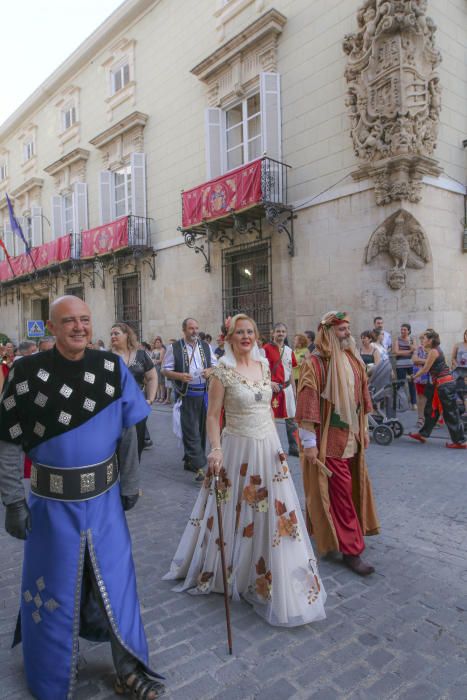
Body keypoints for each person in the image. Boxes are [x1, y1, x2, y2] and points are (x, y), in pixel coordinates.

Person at [0, 295, 164, 700]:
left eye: (85, 320)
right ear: (51, 328)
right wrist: (13, 501)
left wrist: (129, 483)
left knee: (118, 584)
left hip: (105, 503)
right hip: (51, 507)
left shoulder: (111, 368)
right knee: (51, 587)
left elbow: (128, 432)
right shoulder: (24, 373)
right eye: (69, 321)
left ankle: (128, 670)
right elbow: (6, 441)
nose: (79, 327)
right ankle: (52, 672)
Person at [163, 314, 326, 626]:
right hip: (236, 447)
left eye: (251, 331)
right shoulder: (221, 371)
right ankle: (230, 569)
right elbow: (212, 416)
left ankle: (269, 575)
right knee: (234, 510)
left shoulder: (264, 365)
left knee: (274, 514)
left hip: (268, 447)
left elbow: (266, 406)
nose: (246, 336)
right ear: (230, 336)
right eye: (240, 332)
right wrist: (215, 448)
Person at [296, 311, 380, 576]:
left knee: (350, 489)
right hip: (328, 441)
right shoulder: (315, 363)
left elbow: (362, 397)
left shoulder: (353, 359)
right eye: (342, 329)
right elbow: (308, 402)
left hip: (352, 438)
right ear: (329, 332)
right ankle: (352, 550)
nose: (348, 334)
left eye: (348, 328)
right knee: (340, 494)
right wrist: (309, 443)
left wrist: (364, 428)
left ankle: (333, 536)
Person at [162, 318, 216, 481]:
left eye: (196, 328)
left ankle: (189, 461)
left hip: (203, 394)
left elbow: (216, 365)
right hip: (186, 394)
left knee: (200, 429)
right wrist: (179, 375)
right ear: (184, 330)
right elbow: (165, 370)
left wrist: (209, 371)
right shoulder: (174, 347)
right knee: (190, 430)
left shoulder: (206, 347)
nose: (195, 331)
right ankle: (200, 466)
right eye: (191, 328)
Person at [408, 330, 467, 448]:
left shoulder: (434, 351)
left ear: (430, 340)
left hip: (444, 385)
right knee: (431, 410)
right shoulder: (432, 349)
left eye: (424, 339)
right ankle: (423, 434)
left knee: (450, 413)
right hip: (439, 384)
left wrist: (413, 376)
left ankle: (461, 441)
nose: (422, 341)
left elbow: (425, 369)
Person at [110, 323, 157, 458]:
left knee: (138, 441)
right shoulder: (108, 356)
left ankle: (132, 474)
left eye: (116, 333)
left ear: (127, 335)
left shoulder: (141, 355)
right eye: (111, 334)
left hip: (138, 404)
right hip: (115, 406)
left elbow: (152, 377)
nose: (113, 336)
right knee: (116, 442)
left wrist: (151, 399)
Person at [263, 323, 299, 457]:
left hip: (287, 388)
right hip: (272, 389)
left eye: (283, 331)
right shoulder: (265, 349)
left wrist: (294, 391)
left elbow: (290, 373)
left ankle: (294, 447)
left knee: (291, 420)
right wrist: (269, 382)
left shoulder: (289, 351)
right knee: (270, 421)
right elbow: (260, 370)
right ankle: (274, 448)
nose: (281, 334)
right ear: (273, 333)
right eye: (278, 331)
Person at [393, 323, 417, 409]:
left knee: (412, 383)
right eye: (401, 329)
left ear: (409, 331)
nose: (402, 331)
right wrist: (409, 351)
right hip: (400, 365)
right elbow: (396, 352)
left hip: (411, 364)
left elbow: (414, 349)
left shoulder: (411, 339)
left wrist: (408, 344)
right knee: (401, 383)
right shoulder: (397, 340)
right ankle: (401, 403)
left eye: (404, 330)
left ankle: (413, 403)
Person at [412, 334, 430, 428]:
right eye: (421, 338)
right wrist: (427, 361)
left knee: (429, 398)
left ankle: (428, 418)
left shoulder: (432, 349)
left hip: (430, 376)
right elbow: (414, 360)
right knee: (420, 398)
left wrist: (421, 361)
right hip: (419, 376)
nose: (422, 340)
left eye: (424, 338)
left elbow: (433, 361)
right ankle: (420, 418)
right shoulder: (418, 348)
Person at [451, 329, 467, 415]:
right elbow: (453, 357)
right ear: (464, 335)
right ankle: (459, 410)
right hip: (458, 371)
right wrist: (456, 365)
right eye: (466, 334)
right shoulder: (458, 345)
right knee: (458, 390)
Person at [151, 337, 166, 403]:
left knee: (161, 383)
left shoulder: (162, 350)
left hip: (159, 367)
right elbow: (151, 358)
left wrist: (154, 361)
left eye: (158, 342)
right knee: (156, 383)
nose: (157, 344)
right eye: (156, 342)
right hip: (154, 367)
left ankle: (162, 397)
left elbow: (161, 360)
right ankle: (157, 396)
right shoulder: (153, 350)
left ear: (161, 343)